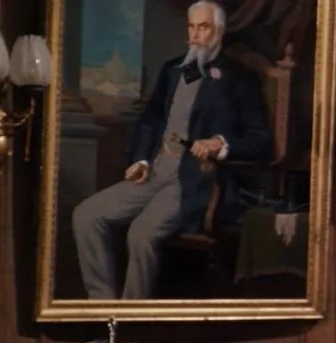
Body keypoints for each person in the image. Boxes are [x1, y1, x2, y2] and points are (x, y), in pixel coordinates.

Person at [72, 0, 271, 299]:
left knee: (141, 234)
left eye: (203, 27)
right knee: (86, 215)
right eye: (191, 27)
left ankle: (130, 318)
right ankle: (102, 307)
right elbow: (150, 120)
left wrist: (221, 143)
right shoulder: (172, 70)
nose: (195, 35)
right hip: (154, 171)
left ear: (219, 31)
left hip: (194, 181)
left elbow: (260, 141)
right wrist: (141, 159)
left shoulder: (239, 78)